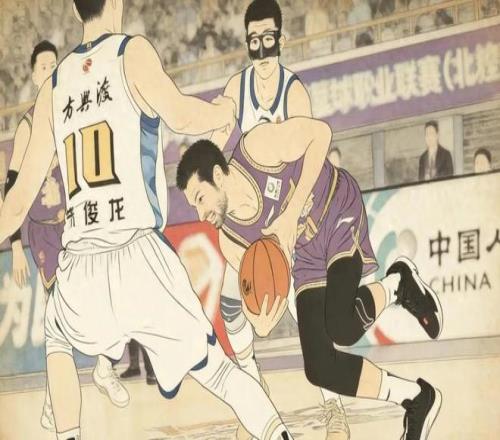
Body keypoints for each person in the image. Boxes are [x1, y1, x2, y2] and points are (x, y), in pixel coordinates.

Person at [0, 1, 294, 440]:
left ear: (77, 12)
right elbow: (182, 115)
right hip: (137, 253)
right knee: (217, 370)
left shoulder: (54, 87)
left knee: (57, 334)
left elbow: (17, 203)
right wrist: (223, 113)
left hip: (80, 262)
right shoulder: (130, 53)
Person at [177, 117, 444, 440]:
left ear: (218, 175)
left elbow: (321, 134)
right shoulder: (230, 239)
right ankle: (417, 398)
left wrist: (290, 215)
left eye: (200, 198)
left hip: (335, 208)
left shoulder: (256, 149)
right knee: (319, 367)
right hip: (306, 255)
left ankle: (398, 284)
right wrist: (263, 319)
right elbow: (265, 299)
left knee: (341, 326)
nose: (200, 214)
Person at [210, 1, 349, 438]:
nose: (262, 49)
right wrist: (213, 134)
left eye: (268, 39)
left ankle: (334, 404)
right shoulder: (236, 88)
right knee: (230, 300)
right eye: (254, 41)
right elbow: (216, 142)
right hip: (252, 218)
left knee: (303, 308)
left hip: (291, 211)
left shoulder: (294, 92)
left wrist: (290, 221)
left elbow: (311, 159)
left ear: (281, 40)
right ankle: (254, 391)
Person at [4, 40, 129, 432]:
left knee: (110, 292)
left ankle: (101, 370)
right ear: (33, 75)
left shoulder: (74, 110)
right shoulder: (28, 126)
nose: (50, 70)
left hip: (77, 223)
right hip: (44, 234)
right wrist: (16, 245)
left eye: (54, 65)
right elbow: (10, 189)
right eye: (43, 66)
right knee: (62, 316)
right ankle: (54, 398)